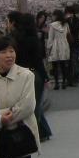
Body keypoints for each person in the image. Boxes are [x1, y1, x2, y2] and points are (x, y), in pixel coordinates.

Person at [9, 11, 54, 140]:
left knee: (28, 105)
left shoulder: (14, 39)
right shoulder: (33, 39)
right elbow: (38, 61)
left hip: (19, 74)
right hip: (33, 74)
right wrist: (46, 78)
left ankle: (43, 131)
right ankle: (38, 132)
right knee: (35, 104)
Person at [47, 10, 72, 90]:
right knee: (63, 65)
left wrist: (48, 48)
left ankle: (57, 83)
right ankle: (64, 82)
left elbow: (50, 38)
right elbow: (68, 34)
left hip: (55, 45)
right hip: (64, 44)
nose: (52, 17)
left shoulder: (52, 25)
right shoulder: (66, 24)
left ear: (56, 16)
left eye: (53, 15)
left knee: (55, 65)